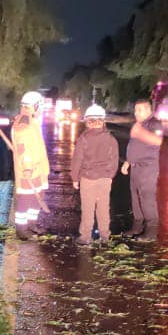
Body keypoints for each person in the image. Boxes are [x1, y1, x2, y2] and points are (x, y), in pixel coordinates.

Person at [71, 104, 120, 245]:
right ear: (102, 121)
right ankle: (105, 235)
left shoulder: (84, 139)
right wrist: (110, 175)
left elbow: (77, 160)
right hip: (105, 179)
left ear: (87, 121)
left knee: (88, 208)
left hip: (88, 179)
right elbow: (114, 160)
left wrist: (75, 178)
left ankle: (86, 236)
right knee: (103, 207)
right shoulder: (111, 139)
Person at [121, 99, 163, 240]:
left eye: (139, 110)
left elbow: (157, 141)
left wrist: (139, 132)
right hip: (135, 167)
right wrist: (128, 162)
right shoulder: (140, 124)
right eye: (135, 110)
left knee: (147, 199)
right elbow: (135, 147)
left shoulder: (154, 124)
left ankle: (151, 232)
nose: (136, 113)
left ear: (148, 110)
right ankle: (137, 228)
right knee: (136, 199)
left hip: (147, 169)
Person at [12, 91, 50, 239]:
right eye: (40, 106)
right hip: (29, 170)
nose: (41, 109)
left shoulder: (31, 120)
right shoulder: (24, 122)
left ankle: (31, 224)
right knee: (25, 200)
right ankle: (21, 229)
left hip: (38, 170)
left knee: (36, 197)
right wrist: (27, 166)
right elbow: (23, 148)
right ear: (34, 106)